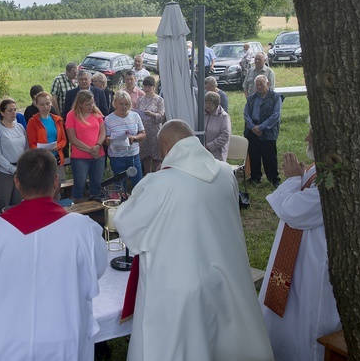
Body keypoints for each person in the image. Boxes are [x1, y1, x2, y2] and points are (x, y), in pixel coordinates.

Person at [113, 120, 274, 361]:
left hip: (178, 286)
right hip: (224, 274)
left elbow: (126, 225)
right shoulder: (224, 172)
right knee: (222, 339)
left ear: (166, 148)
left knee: (180, 345)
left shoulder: (160, 184)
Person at [0, 149, 107, 361]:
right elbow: (96, 271)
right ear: (56, 181)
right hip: (63, 333)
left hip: (3, 338)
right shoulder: (83, 229)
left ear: (17, 182)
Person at [259, 125, 341, 361]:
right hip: (292, 258)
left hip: (312, 264)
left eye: (313, 134)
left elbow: (292, 211)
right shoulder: (319, 168)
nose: (306, 138)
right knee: (284, 316)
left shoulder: (332, 179)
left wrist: (293, 179)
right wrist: (297, 180)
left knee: (306, 323)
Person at [65, 90, 106, 201]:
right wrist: (90, 150)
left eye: (92, 103)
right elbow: (72, 138)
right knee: (80, 185)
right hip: (80, 157)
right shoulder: (71, 115)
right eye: (87, 104)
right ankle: (77, 208)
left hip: (98, 155)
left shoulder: (97, 113)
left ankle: (95, 208)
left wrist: (97, 146)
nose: (90, 106)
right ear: (80, 104)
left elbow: (103, 132)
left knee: (96, 184)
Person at [0, 99, 28, 211]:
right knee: (4, 203)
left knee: (18, 202)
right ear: (2, 112)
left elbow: (26, 147)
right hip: (3, 172)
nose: (13, 113)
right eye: (10, 110)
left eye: (15, 110)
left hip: (20, 170)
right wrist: (11, 169)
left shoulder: (20, 127)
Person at [244, 75, 282, 187]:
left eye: (262, 84)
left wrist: (261, 127)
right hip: (252, 131)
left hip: (268, 131)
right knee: (254, 154)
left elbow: (275, 115)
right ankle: (255, 177)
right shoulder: (251, 98)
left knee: (269, 156)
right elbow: (246, 114)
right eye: (257, 85)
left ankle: (273, 178)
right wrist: (253, 127)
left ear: (268, 84)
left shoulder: (275, 97)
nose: (259, 87)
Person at [105, 91, 145, 189]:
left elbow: (143, 134)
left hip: (133, 155)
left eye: (126, 104)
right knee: (120, 186)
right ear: (115, 104)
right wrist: (110, 140)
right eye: (121, 104)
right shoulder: (108, 119)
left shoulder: (135, 116)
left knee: (138, 185)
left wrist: (134, 138)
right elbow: (106, 140)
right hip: (117, 156)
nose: (124, 107)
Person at [26, 91, 67, 181]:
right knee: (45, 187)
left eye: (47, 104)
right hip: (42, 160)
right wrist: (41, 150)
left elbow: (63, 140)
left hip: (57, 158)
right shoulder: (32, 122)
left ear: (51, 103)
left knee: (58, 184)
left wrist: (58, 146)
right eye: (41, 104)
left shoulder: (57, 119)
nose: (45, 107)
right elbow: (31, 144)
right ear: (36, 105)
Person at [136, 76, 166, 175]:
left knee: (156, 156)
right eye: (145, 86)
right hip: (143, 131)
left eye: (149, 86)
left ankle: (158, 176)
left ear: (154, 87)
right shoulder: (140, 100)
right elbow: (137, 114)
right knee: (145, 156)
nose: (147, 89)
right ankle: (147, 176)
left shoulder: (159, 100)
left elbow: (162, 116)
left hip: (155, 131)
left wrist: (152, 114)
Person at [204, 91, 231, 161]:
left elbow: (225, 135)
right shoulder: (201, 114)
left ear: (216, 104)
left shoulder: (224, 117)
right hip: (202, 153)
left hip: (217, 155)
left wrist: (209, 146)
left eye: (210, 103)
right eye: (206, 103)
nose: (207, 105)